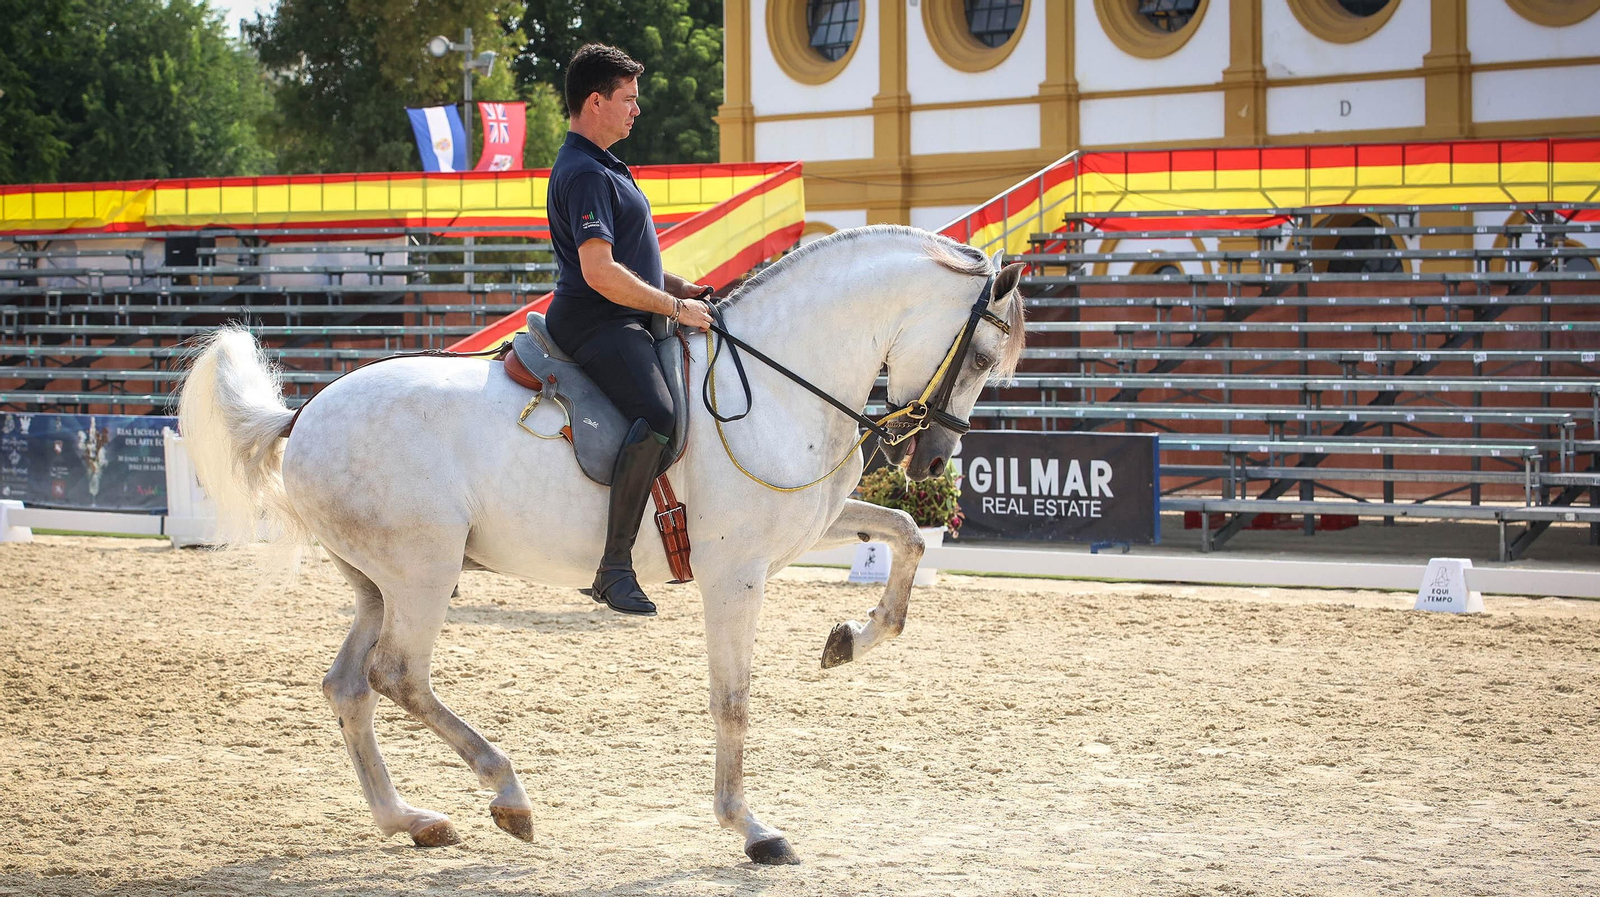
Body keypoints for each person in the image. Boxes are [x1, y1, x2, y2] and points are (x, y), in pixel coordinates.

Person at [545, 43, 714, 617]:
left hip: (622, 310)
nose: (637, 110)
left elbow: (629, 261)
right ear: (596, 102)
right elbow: (599, 272)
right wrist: (671, 307)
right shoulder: (585, 172)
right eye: (629, 99)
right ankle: (614, 566)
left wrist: (681, 287)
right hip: (599, 321)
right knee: (661, 414)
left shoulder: (605, 167)